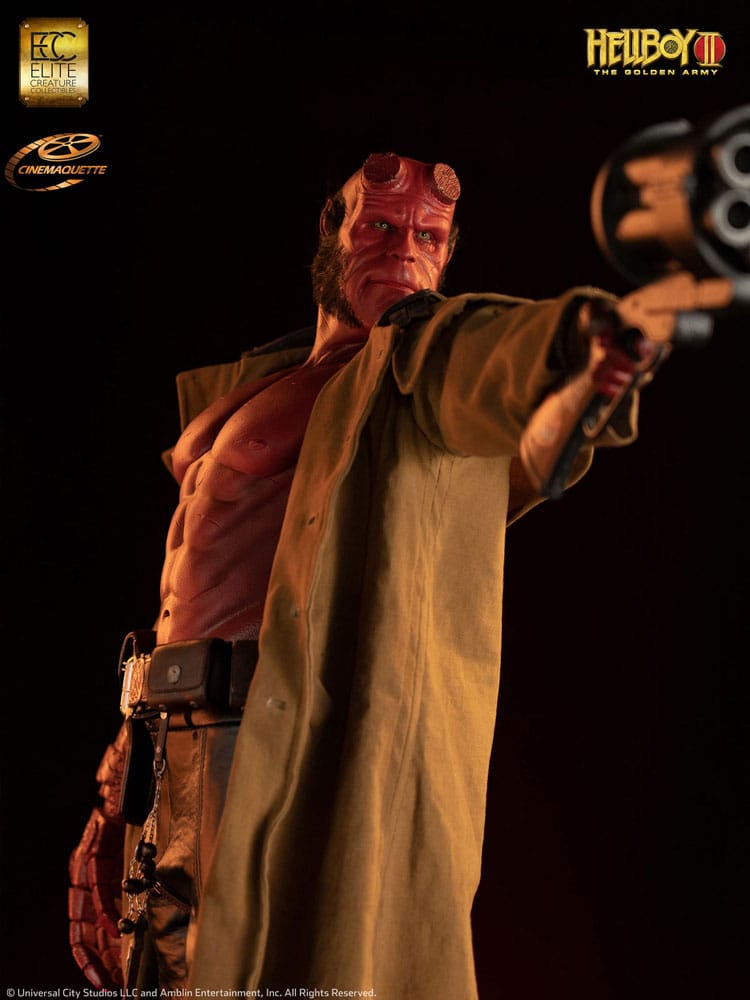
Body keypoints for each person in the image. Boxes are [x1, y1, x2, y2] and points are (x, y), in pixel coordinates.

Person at [68, 151, 654, 998]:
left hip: (267, 748)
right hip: (167, 742)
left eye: (429, 237)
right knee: (151, 975)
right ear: (330, 235)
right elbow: (187, 595)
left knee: (256, 971)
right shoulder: (260, 383)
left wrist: (582, 351)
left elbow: (502, 366)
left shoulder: (413, 385)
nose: (404, 250)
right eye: (378, 226)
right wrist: (118, 773)